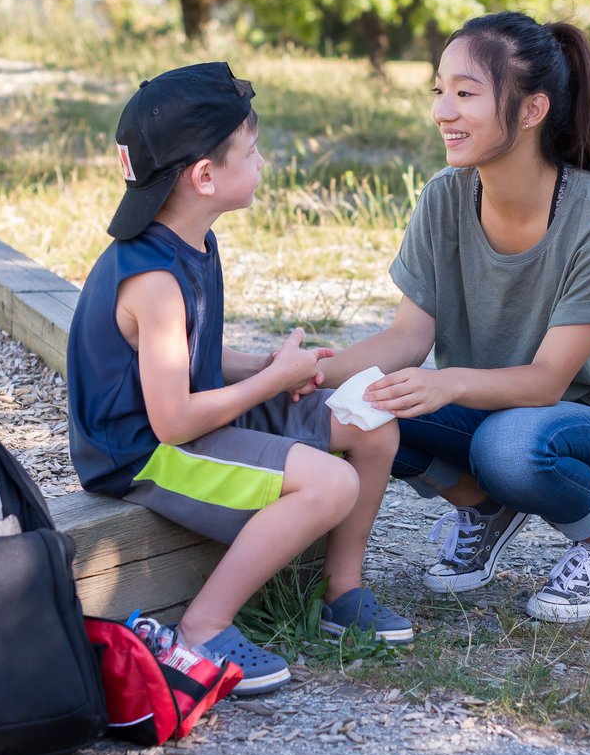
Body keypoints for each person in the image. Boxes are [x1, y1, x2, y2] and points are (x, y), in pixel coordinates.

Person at [319, 12, 590, 623]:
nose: (443, 110)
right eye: (438, 90)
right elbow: (407, 338)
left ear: (532, 109)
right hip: (504, 410)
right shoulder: (444, 196)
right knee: (366, 402)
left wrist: (449, 383)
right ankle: (486, 508)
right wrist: (303, 371)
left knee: (507, 445)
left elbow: (545, 383)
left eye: (466, 93)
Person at [66, 62, 411, 696]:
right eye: (251, 153)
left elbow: (193, 359)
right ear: (205, 176)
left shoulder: (192, 239)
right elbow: (171, 421)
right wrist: (269, 381)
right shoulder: (154, 280)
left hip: (194, 419)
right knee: (330, 483)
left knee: (372, 420)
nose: (261, 164)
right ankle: (202, 626)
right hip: (146, 454)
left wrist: (268, 372)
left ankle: (341, 592)